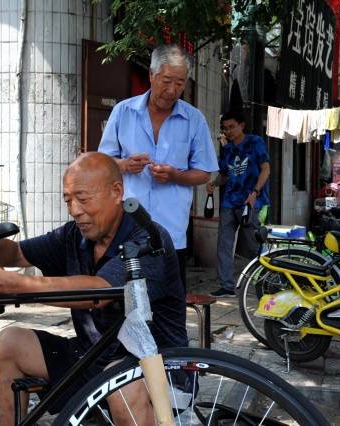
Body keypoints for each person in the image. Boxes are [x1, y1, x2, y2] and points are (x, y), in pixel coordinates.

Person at [0, 152, 186, 425]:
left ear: (117, 192)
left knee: (121, 383)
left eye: (83, 198)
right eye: (68, 200)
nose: (75, 209)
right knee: (7, 344)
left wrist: (9, 282)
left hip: (156, 364)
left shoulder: (149, 238)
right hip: (90, 356)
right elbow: (18, 253)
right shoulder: (74, 234)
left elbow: (98, 292)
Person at [98, 44, 219, 291]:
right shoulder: (123, 112)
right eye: (166, 81)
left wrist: (176, 175)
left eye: (180, 83)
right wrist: (124, 164)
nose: (173, 90)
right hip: (126, 226)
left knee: (168, 304)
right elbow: (103, 162)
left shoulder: (194, 119)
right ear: (151, 76)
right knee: (124, 300)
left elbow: (205, 173)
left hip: (171, 229)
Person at [207, 110, 270, 297]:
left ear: (242, 125)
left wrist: (255, 193)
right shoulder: (227, 149)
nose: (228, 132)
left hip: (249, 202)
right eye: (225, 129)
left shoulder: (255, 142)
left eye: (232, 127)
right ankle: (226, 285)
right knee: (224, 244)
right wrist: (213, 184)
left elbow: (266, 169)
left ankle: (265, 281)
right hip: (229, 202)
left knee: (252, 244)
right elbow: (225, 174)